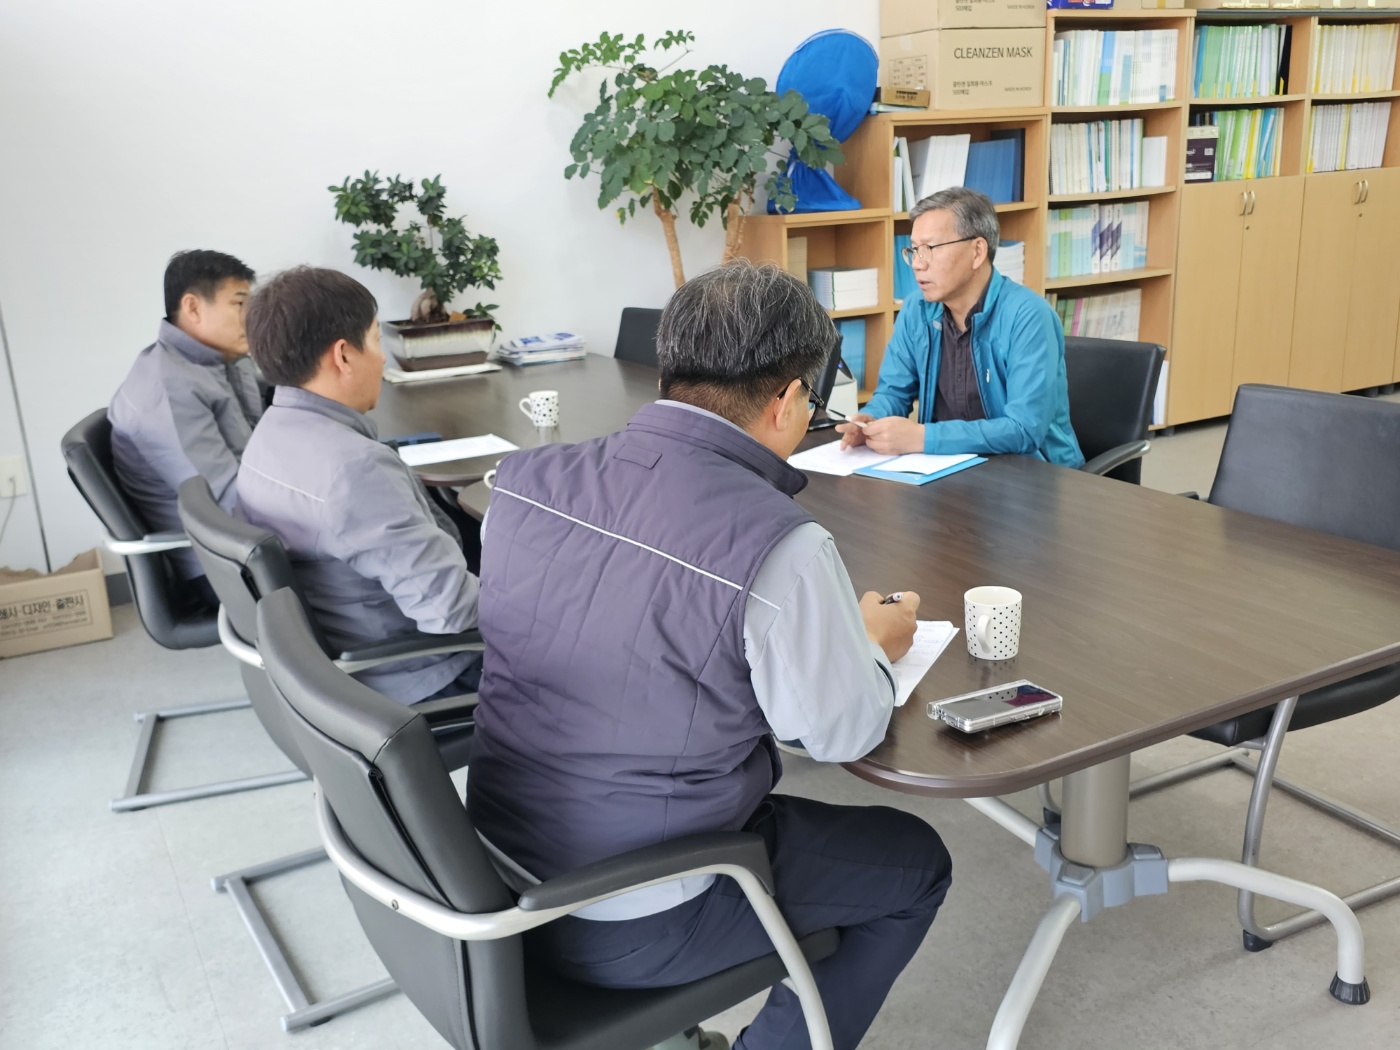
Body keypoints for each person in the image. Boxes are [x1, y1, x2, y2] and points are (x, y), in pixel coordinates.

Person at [467, 262, 952, 1050]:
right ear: (788, 400)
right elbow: (839, 734)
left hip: (491, 870)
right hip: (635, 914)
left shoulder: (519, 484)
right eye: (814, 403)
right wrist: (871, 641)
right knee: (915, 864)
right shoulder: (781, 546)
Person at [237, 267, 480, 705]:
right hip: (423, 677)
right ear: (343, 356)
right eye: (375, 340)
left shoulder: (267, 434)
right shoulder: (355, 469)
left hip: (348, 664)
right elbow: (452, 611)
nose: (383, 359)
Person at [838, 187, 1084, 467]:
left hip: (1033, 474)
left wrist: (923, 437)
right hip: (948, 469)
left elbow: (1024, 430)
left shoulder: (1028, 316)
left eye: (929, 249)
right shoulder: (916, 309)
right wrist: (871, 419)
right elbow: (893, 392)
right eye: (914, 250)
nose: (917, 264)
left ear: (977, 251)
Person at [109, 249, 261, 595]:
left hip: (248, 539)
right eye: (239, 304)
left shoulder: (219, 361)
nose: (250, 317)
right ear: (193, 308)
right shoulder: (168, 389)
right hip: (222, 566)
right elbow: (224, 504)